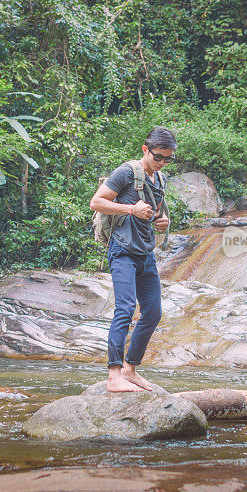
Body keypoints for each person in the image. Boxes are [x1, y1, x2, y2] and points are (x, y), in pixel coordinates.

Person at [89, 127, 175, 392]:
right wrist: (130, 208)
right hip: (122, 250)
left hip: (145, 252)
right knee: (125, 308)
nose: (162, 163)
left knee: (152, 312)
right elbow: (96, 202)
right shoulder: (126, 172)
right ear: (145, 150)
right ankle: (114, 375)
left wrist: (162, 222)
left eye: (168, 159)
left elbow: (154, 213)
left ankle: (130, 369)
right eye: (158, 157)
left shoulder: (159, 178)